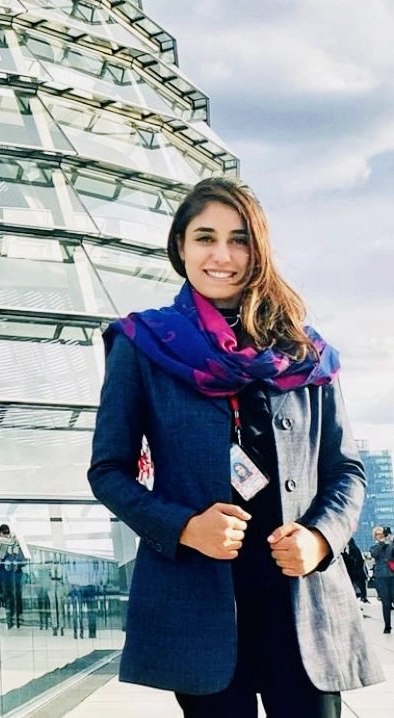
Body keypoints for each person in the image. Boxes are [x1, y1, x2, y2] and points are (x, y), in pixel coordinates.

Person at [87, 177, 383, 718]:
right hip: (200, 606)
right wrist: (183, 527)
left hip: (302, 601)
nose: (221, 255)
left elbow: (346, 470)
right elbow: (108, 471)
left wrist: (321, 537)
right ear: (181, 247)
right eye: (205, 238)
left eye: (239, 239)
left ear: (258, 250)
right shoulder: (142, 345)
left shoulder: (305, 352)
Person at [0, 524, 25, 629]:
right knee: (8, 597)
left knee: (15, 596)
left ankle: (16, 618)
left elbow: (21, 559)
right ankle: (10, 620)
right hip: (5, 576)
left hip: (14, 576)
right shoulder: (1, 545)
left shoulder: (14, 544)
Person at [369, 526, 394, 633]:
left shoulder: (390, 546)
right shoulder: (374, 548)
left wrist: (390, 541)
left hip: (392, 576)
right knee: (386, 603)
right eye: (378, 534)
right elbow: (375, 554)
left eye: (382, 534)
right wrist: (381, 543)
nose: (380, 536)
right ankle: (387, 626)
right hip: (381, 578)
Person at [342, 537, 369, 603]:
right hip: (358, 572)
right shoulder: (356, 549)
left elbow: (348, 560)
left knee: (352, 587)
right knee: (360, 586)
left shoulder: (349, 549)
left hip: (352, 572)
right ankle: (363, 597)